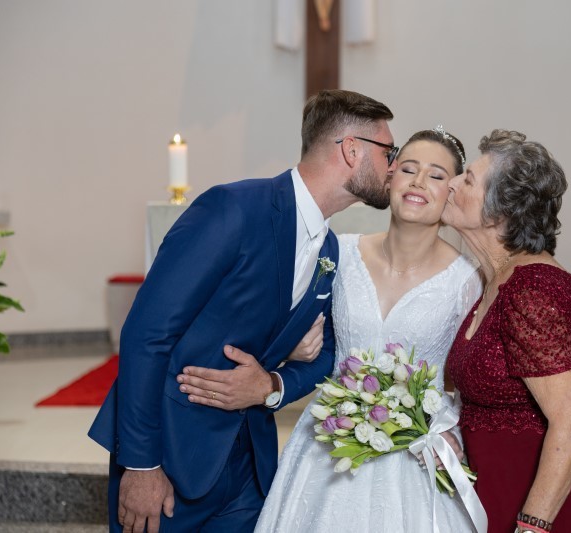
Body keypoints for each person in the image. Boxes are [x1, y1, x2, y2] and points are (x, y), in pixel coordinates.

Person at [88, 89, 398, 533]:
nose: (393, 166)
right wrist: (141, 466)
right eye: (388, 151)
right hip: (171, 455)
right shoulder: (233, 209)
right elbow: (146, 333)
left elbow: (330, 352)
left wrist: (271, 385)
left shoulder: (329, 250)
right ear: (351, 150)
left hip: (250, 466)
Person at [182, 127, 483, 532]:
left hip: (418, 450)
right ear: (389, 177)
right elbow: (291, 326)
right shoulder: (340, 252)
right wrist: (287, 355)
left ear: (452, 191)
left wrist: (451, 430)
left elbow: (474, 376)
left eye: (436, 175)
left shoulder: (467, 279)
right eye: (409, 169)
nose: (418, 182)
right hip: (330, 440)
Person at [443, 129, 571, 533]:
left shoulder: (531, 289)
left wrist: (533, 526)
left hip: (568, 492)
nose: (452, 183)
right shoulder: (496, 280)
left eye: (467, 179)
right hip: (513, 484)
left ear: (498, 212)